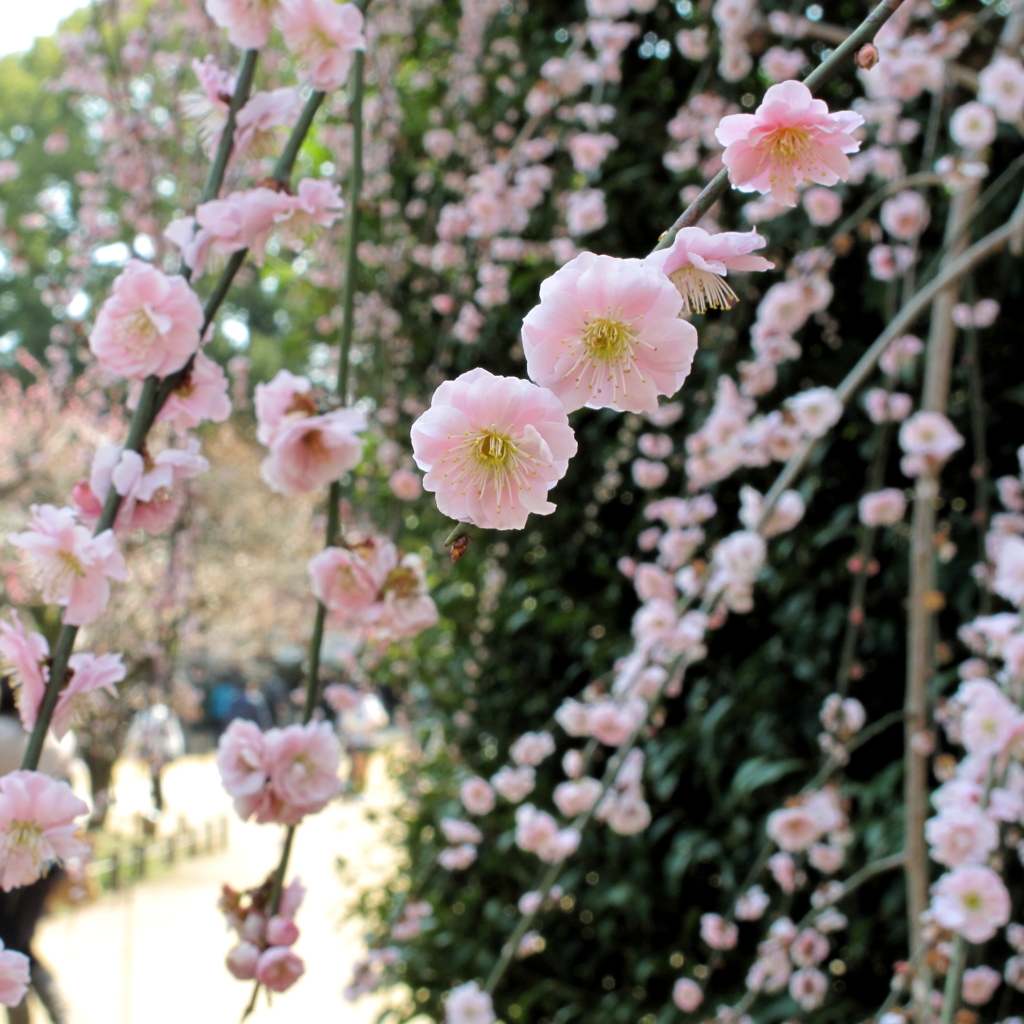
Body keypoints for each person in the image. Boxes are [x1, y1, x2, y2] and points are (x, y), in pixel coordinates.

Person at [0, 679, 71, 1024]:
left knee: (12, 941)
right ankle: (52, 1010)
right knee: (17, 939)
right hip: (45, 855)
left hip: (7, 854)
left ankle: (26, 1015)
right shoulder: (50, 742)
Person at [124, 693, 185, 815]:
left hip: (159, 752)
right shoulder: (144, 715)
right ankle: (154, 806)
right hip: (152, 752)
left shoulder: (163, 715)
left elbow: (172, 735)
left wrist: (174, 750)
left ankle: (159, 805)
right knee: (150, 779)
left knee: (157, 779)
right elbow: (136, 735)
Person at [338, 686, 389, 794]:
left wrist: (373, 725)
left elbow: (382, 719)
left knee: (364, 768)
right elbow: (346, 725)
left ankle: (357, 791)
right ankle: (352, 791)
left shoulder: (371, 701)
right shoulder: (349, 703)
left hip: (369, 741)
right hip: (355, 742)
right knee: (357, 768)